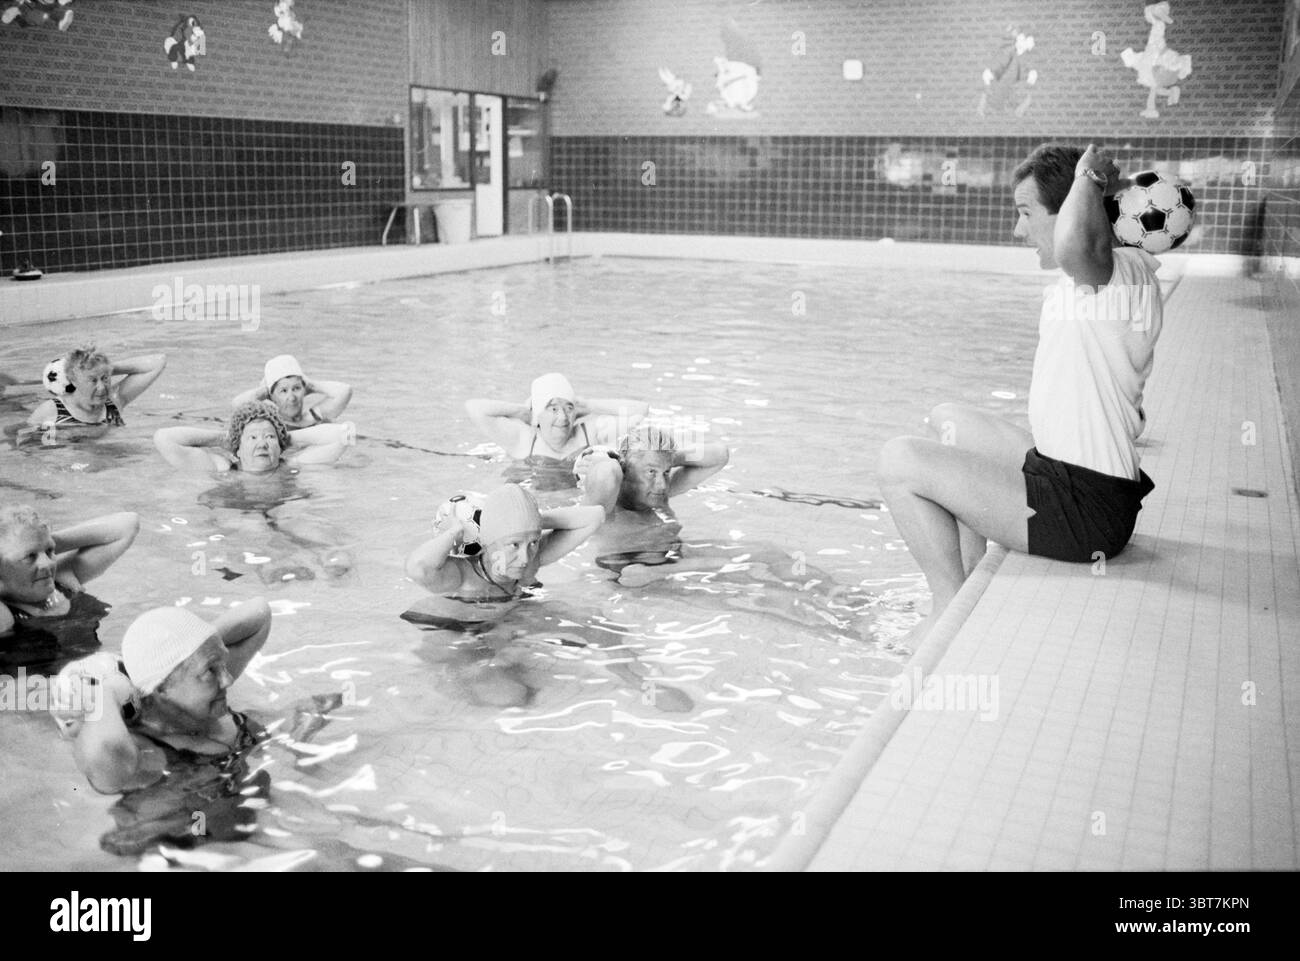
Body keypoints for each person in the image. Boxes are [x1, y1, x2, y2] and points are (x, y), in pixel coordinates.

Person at [877, 143, 1161, 645]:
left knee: (899, 463)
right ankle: (964, 588)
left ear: (1069, 211)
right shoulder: (1096, 281)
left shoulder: (1110, 276)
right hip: (1068, 476)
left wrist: (1088, 180)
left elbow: (1079, 245)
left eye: (1026, 213)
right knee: (948, 421)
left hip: (1085, 510)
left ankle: (946, 615)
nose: (1017, 230)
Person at [59, 601, 272, 796]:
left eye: (222, 664)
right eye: (210, 671)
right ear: (160, 689)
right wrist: (109, 691)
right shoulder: (144, 751)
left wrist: (196, 644)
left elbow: (259, 613)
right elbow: (103, 755)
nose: (227, 679)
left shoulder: (195, 693)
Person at [404, 483, 604, 603]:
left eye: (533, 542)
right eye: (514, 545)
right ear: (488, 542)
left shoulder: (531, 559)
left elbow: (595, 516)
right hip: (463, 635)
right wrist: (453, 532)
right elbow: (417, 568)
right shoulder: (462, 576)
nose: (525, 558)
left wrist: (531, 521)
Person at [0, 506, 140, 656]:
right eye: (30, 557)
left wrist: (41, 539)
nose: (47, 563)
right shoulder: (5, 615)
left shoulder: (62, 579)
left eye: (49, 552)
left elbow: (128, 524)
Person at [465, 373, 648, 467]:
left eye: (569, 408)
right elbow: (474, 408)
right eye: (553, 409)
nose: (562, 417)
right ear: (538, 414)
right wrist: (522, 412)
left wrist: (589, 405)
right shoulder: (523, 440)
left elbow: (640, 410)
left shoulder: (589, 433)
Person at [153, 400, 354, 473]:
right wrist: (225, 439)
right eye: (252, 438)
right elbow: (164, 438)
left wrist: (286, 438)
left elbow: (346, 434)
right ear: (237, 448)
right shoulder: (223, 469)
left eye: (269, 437)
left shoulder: (290, 466)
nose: (262, 444)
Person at [19, 347, 166, 445]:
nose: (102, 387)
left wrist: (104, 369)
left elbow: (159, 361)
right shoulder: (52, 411)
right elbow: (28, 448)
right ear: (73, 380)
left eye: (105, 379)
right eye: (93, 381)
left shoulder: (114, 400)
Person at [231, 354, 352, 429]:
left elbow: (345, 391)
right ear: (271, 396)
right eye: (283, 391)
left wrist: (311, 386)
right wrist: (266, 391)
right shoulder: (269, 424)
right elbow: (237, 405)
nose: (292, 397)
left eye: (296, 389)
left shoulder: (314, 417)